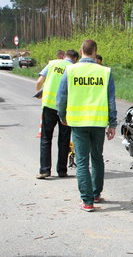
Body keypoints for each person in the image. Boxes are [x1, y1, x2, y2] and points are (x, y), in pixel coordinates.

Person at [57, 40, 117, 212]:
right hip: (98, 122)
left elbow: (61, 98)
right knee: (97, 158)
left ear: (81, 51)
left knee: (82, 161)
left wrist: (62, 116)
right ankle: (96, 193)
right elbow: (111, 100)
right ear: (95, 51)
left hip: (78, 122)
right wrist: (112, 123)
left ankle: (88, 201)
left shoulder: (70, 70)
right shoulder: (105, 72)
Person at [35, 49, 79, 179]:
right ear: (75, 58)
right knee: (64, 139)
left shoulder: (53, 64)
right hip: (66, 108)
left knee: (46, 138)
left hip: (49, 106)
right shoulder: (74, 68)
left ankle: (44, 170)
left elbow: (39, 82)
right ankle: (62, 170)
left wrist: (39, 92)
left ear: (64, 56)